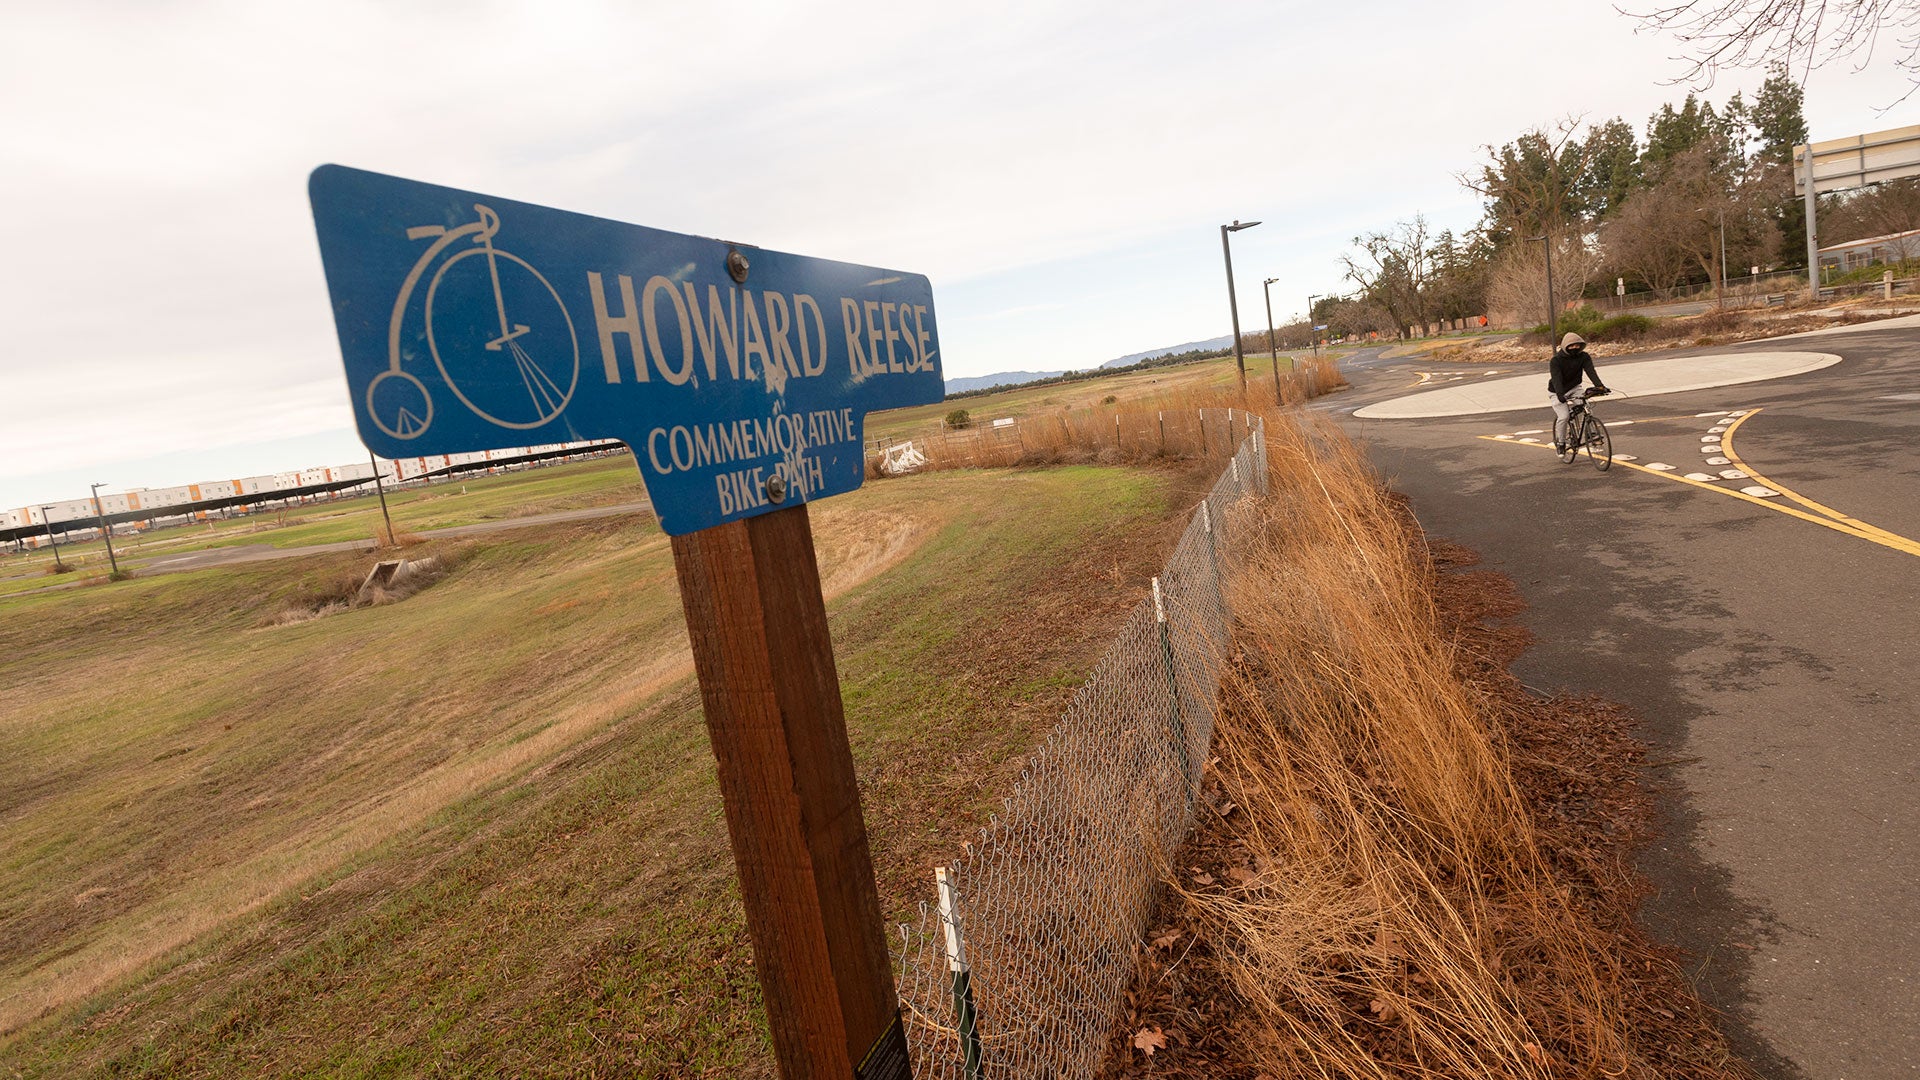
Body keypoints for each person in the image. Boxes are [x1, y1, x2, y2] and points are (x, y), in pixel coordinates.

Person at [1547, 332, 1609, 453]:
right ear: (1565, 346)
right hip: (1556, 391)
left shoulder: (1584, 357)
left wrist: (1600, 386)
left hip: (1575, 387)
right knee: (1564, 416)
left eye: (1577, 345)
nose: (1575, 348)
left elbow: (1591, 371)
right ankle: (1561, 443)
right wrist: (1560, 395)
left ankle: (1592, 434)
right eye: (1572, 346)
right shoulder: (1556, 360)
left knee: (1586, 406)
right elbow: (1556, 379)